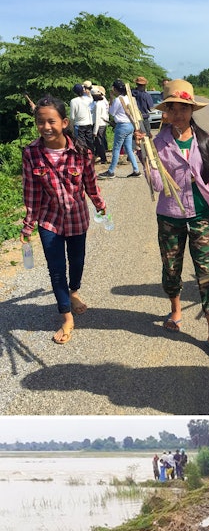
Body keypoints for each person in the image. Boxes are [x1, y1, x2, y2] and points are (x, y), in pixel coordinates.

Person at [137, 80, 209, 362]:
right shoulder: (156, 143)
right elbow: (156, 184)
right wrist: (146, 158)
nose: (178, 114)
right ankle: (176, 310)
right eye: (172, 109)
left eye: (184, 109)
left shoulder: (205, 140)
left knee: (207, 272)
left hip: (201, 215)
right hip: (170, 216)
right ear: (164, 112)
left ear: (192, 110)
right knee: (171, 268)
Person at [20, 95, 107, 345]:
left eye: (51, 121)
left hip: (77, 217)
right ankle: (66, 316)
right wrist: (28, 224)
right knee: (56, 269)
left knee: (77, 262)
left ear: (64, 122)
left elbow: (91, 184)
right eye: (40, 122)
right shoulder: (31, 154)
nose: (46, 127)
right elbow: (32, 193)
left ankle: (74, 291)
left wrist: (100, 206)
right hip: (49, 221)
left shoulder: (81, 152)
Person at [106, 81, 142, 179]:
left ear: (115, 89)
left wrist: (111, 98)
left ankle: (111, 171)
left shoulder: (118, 99)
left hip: (121, 126)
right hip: (130, 125)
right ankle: (136, 170)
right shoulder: (129, 99)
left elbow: (112, 112)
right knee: (129, 148)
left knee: (116, 149)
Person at [69, 84, 95, 153]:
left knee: (81, 142)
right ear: (83, 90)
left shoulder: (73, 101)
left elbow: (72, 116)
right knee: (89, 141)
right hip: (88, 123)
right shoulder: (89, 99)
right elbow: (92, 107)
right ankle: (92, 155)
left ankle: (84, 156)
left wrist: (71, 126)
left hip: (79, 124)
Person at [91, 86, 109, 164]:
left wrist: (95, 131)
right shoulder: (102, 102)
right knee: (99, 142)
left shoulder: (98, 104)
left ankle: (103, 159)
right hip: (103, 124)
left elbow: (97, 118)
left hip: (99, 125)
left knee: (99, 142)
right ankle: (100, 156)